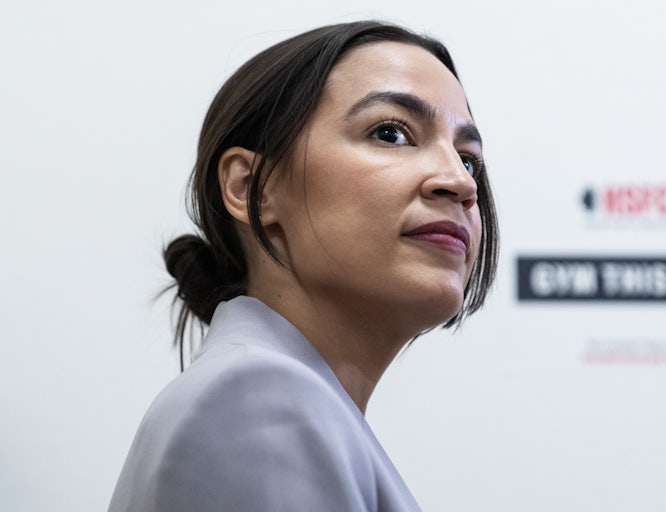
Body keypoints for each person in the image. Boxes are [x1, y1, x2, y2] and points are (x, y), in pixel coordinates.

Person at [108, 20, 498, 512]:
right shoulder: (259, 401)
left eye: (469, 160)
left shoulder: (285, 401)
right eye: (391, 133)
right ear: (251, 187)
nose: (459, 184)